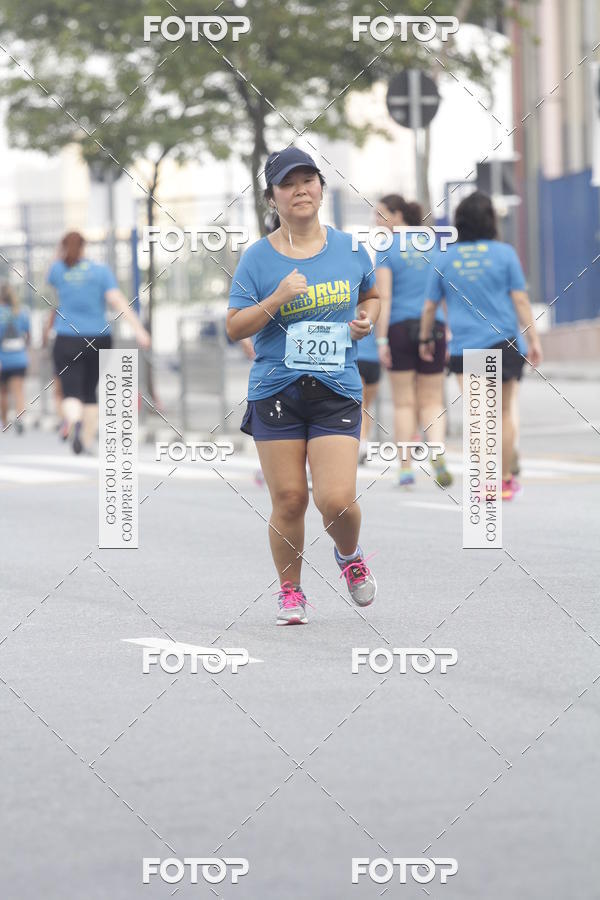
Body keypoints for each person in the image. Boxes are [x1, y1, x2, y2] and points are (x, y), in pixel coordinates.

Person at [226, 147, 380, 624]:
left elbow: (370, 294)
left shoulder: (352, 249)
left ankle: (349, 555)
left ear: (320, 188)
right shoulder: (258, 258)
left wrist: (366, 320)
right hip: (277, 390)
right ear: (273, 197)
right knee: (290, 498)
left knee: (336, 500)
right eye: (288, 184)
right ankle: (290, 590)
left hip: (336, 388)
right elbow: (234, 327)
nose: (300, 191)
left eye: (307, 180)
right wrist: (277, 297)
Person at [419, 191, 543, 500]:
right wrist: (534, 339)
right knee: (503, 413)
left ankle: (485, 484)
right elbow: (521, 300)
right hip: (505, 342)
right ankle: (503, 482)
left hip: (467, 349)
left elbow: (430, 307)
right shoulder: (505, 254)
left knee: (478, 416)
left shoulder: (444, 258)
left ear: (459, 221)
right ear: (490, 221)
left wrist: (425, 339)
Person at [43, 231, 150, 454]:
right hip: (99, 337)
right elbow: (117, 299)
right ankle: (87, 441)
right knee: (90, 391)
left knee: (71, 392)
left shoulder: (59, 270)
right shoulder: (101, 271)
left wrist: (60, 253)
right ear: (85, 247)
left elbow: (51, 274)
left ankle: (72, 420)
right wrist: (139, 330)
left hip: (67, 337)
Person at [374, 195, 452, 487]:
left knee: (404, 403)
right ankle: (437, 451)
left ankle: (405, 468)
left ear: (396, 216)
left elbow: (385, 295)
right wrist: (450, 330)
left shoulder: (386, 247)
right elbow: (444, 292)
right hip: (435, 327)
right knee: (433, 400)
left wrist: (381, 340)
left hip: (398, 327)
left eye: (380, 215)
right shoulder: (434, 244)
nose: (376, 222)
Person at [0, 284, 30, 433]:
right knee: (18, 391)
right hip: (19, 358)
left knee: (2, 392)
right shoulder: (20, 312)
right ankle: (20, 418)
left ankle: (4, 422)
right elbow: (27, 334)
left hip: (2, 359)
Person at [356, 325, 381, 464]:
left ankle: (363, 442)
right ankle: (364, 442)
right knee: (365, 407)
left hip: (355, 357)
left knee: (360, 405)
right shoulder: (376, 305)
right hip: (374, 358)